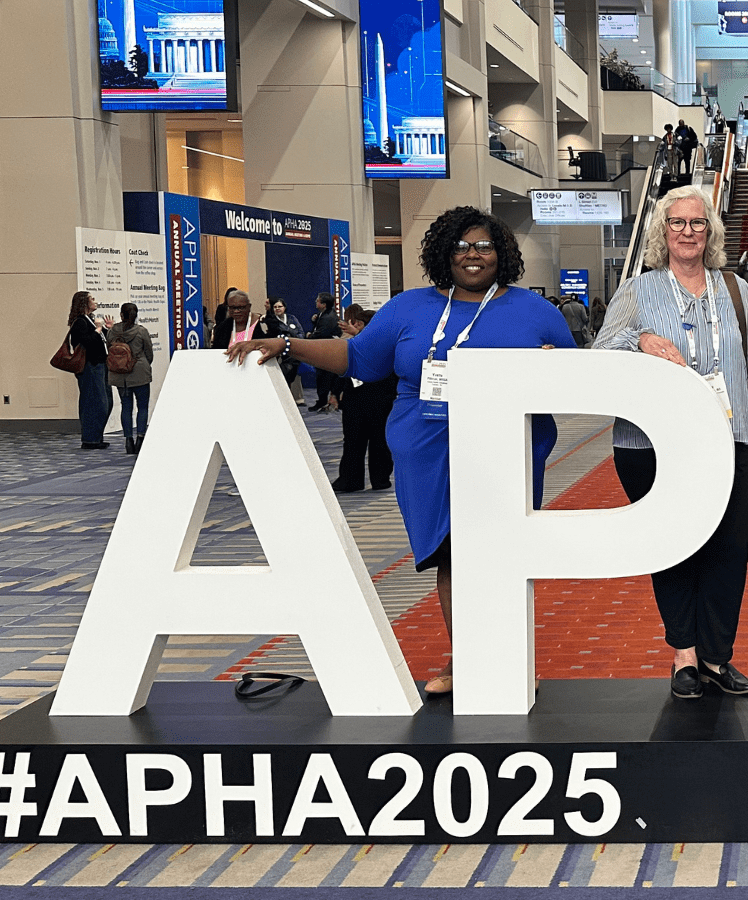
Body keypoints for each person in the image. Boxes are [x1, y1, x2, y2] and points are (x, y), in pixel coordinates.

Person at [224, 206, 573, 696]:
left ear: (502, 254)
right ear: (443, 253)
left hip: (506, 447)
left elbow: (576, 380)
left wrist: (551, 369)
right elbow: (358, 357)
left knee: (498, 553)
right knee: (450, 554)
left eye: (484, 246)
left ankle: (503, 657)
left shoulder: (535, 311)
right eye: (461, 247)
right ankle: (472, 659)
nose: (473, 256)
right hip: (427, 447)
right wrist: (288, 344)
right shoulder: (410, 307)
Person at [592, 185, 748, 700]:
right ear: (662, 232)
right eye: (677, 223)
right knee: (671, 548)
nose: (688, 232)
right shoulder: (638, 289)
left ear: (712, 231)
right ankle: (684, 657)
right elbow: (602, 348)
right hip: (650, 446)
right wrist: (641, 339)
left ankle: (718, 657)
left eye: (698, 223)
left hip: (728, 438)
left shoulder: (737, 290)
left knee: (728, 552)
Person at [328, 307, 395, 494]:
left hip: (371, 397)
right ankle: (366, 479)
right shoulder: (359, 344)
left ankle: (366, 479)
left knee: (367, 441)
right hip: (369, 398)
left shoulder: (370, 343)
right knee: (365, 440)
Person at [67, 291, 115, 450]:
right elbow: (88, 342)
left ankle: (96, 436)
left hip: (101, 365)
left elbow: (102, 341)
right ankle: (90, 439)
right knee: (94, 402)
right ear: (84, 303)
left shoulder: (91, 320)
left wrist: (107, 329)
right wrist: (98, 330)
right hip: (90, 367)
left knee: (106, 402)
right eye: (92, 299)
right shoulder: (80, 322)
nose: (95, 302)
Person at [105, 301, 153, 455]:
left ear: (121, 315)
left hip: (121, 376)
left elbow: (109, 349)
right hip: (139, 373)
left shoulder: (113, 331)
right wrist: (143, 364)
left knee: (126, 407)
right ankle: (140, 438)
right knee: (143, 406)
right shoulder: (141, 331)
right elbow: (149, 352)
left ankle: (128, 441)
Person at [259, 297, 304, 404]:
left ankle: (296, 399)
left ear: (284, 307)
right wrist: (290, 332)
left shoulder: (292, 318)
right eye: (275, 307)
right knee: (283, 378)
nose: (278, 309)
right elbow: (275, 333)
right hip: (279, 354)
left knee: (294, 376)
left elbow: (300, 332)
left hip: (294, 351)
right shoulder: (271, 320)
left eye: (280, 306)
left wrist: (290, 334)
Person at [306, 292, 341, 412]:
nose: (316, 302)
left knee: (324, 377)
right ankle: (322, 399)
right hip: (325, 350)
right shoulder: (323, 315)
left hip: (327, 352)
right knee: (322, 377)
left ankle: (323, 400)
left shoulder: (328, 318)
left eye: (318, 300)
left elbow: (322, 333)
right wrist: (314, 321)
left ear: (324, 304)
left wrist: (309, 336)